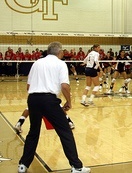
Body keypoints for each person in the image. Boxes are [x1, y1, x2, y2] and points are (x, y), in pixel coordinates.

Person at [18, 42, 90, 173]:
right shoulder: (60, 64)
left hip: (33, 99)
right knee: (65, 132)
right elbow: (65, 86)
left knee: (33, 133)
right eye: (62, 51)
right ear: (59, 52)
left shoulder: (37, 63)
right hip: (49, 100)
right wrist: (69, 101)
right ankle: (77, 167)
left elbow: (28, 87)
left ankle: (23, 165)